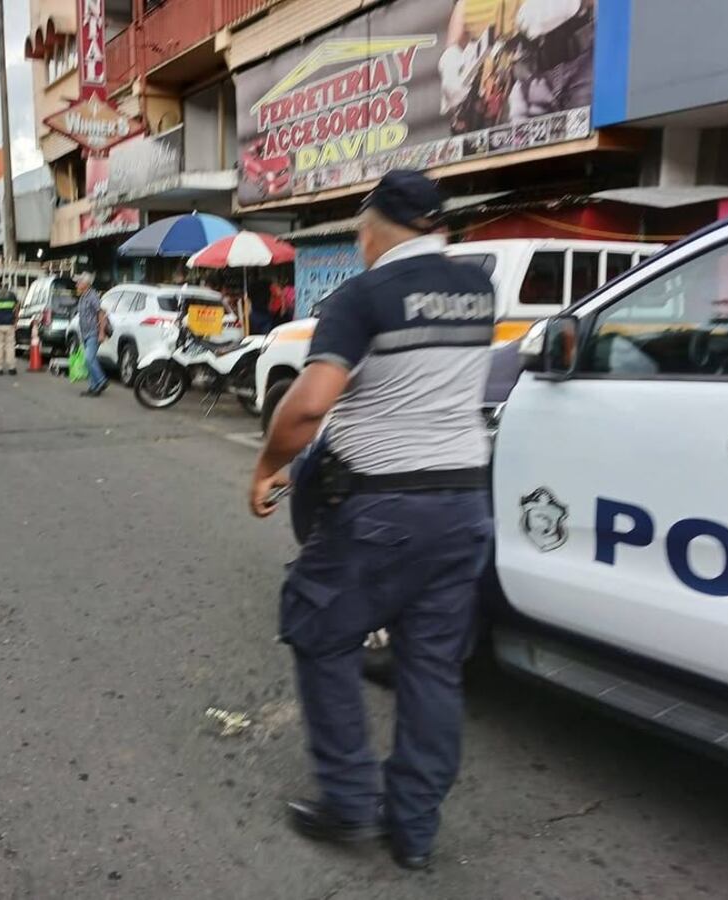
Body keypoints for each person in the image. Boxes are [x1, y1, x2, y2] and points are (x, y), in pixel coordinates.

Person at [248, 170, 494, 871]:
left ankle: (350, 799)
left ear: (371, 226)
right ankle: (414, 830)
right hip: (464, 504)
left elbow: (305, 407)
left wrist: (266, 465)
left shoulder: (362, 296)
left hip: (382, 508)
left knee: (320, 630)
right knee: (432, 667)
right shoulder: (477, 289)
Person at [74, 271, 108, 397]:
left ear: (86, 283)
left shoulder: (92, 296)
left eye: (79, 282)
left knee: (89, 358)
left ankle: (101, 380)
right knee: (89, 360)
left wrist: (101, 333)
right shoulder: (83, 296)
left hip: (93, 332)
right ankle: (94, 387)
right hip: (85, 333)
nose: (77, 284)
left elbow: (101, 313)